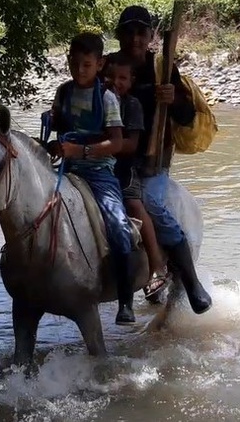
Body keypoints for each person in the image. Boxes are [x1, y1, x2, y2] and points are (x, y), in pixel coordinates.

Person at [104, 5, 213, 314]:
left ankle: (190, 281)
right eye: (128, 32)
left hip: (151, 164)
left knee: (151, 203)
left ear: (151, 36)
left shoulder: (162, 67)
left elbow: (186, 114)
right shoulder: (110, 66)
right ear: (119, 36)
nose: (135, 38)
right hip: (110, 160)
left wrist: (172, 97)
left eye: (141, 32)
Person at [48, 32, 136, 325]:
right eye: (75, 64)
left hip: (99, 174)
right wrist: (54, 143)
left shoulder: (107, 98)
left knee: (119, 226)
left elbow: (117, 143)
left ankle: (125, 300)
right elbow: (58, 129)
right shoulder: (63, 92)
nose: (79, 70)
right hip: (67, 170)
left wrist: (81, 150)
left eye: (86, 65)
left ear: (99, 65)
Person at [103, 52, 171, 301]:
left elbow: (131, 146)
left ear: (130, 81)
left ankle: (156, 267)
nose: (114, 82)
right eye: (109, 76)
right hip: (93, 165)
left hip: (122, 169)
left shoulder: (131, 105)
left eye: (121, 78)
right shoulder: (95, 100)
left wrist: (99, 146)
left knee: (134, 204)